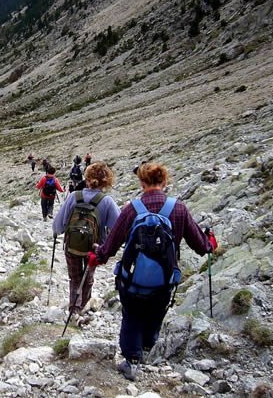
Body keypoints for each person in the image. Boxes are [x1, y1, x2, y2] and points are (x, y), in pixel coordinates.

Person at [88, 162, 216, 381]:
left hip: (132, 279)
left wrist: (97, 257)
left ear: (141, 182)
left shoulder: (132, 208)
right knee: (155, 313)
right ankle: (147, 346)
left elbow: (111, 243)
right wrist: (210, 242)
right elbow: (200, 245)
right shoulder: (178, 208)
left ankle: (131, 360)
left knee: (132, 315)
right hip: (164, 280)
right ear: (165, 181)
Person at [53, 162, 120, 325]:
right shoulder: (107, 202)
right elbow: (119, 228)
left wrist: (57, 232)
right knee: (88, 277)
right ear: (106, 182)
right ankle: (83, 305)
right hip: (94, 247)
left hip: (72, 245)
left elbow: (58, 226)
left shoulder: (74, 196)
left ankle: (73, 310)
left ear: (87, 178)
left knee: (74, 278)